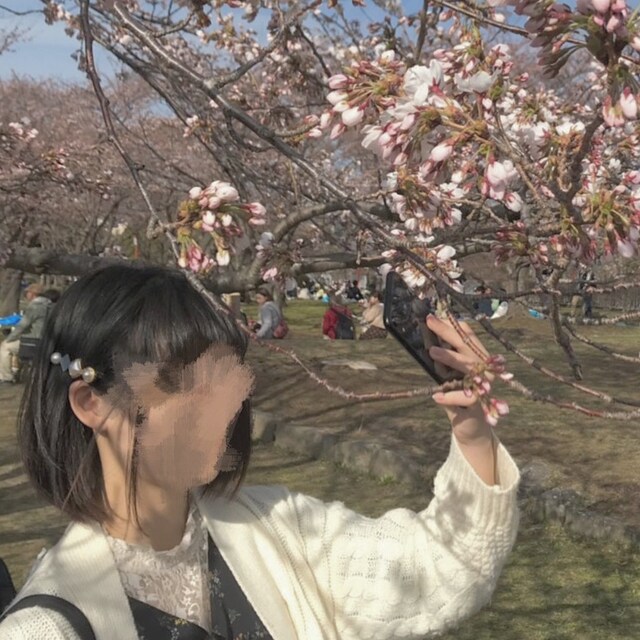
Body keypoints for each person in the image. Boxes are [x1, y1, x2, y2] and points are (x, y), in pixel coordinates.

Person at [0, 264, 520, 640]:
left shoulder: (277, 527)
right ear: (91, 403)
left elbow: (439, 568)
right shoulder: (47, 626)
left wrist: (471, 429)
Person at [0, 283, 52, 383]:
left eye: (27, 293)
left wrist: (9, 338)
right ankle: (18, 371)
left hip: (33, 342)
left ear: (32, 294)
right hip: (47, 341)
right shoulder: (50, 305)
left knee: (5, 346)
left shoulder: (35, 307)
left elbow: (22, 326)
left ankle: (6, 377)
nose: (26, 295)